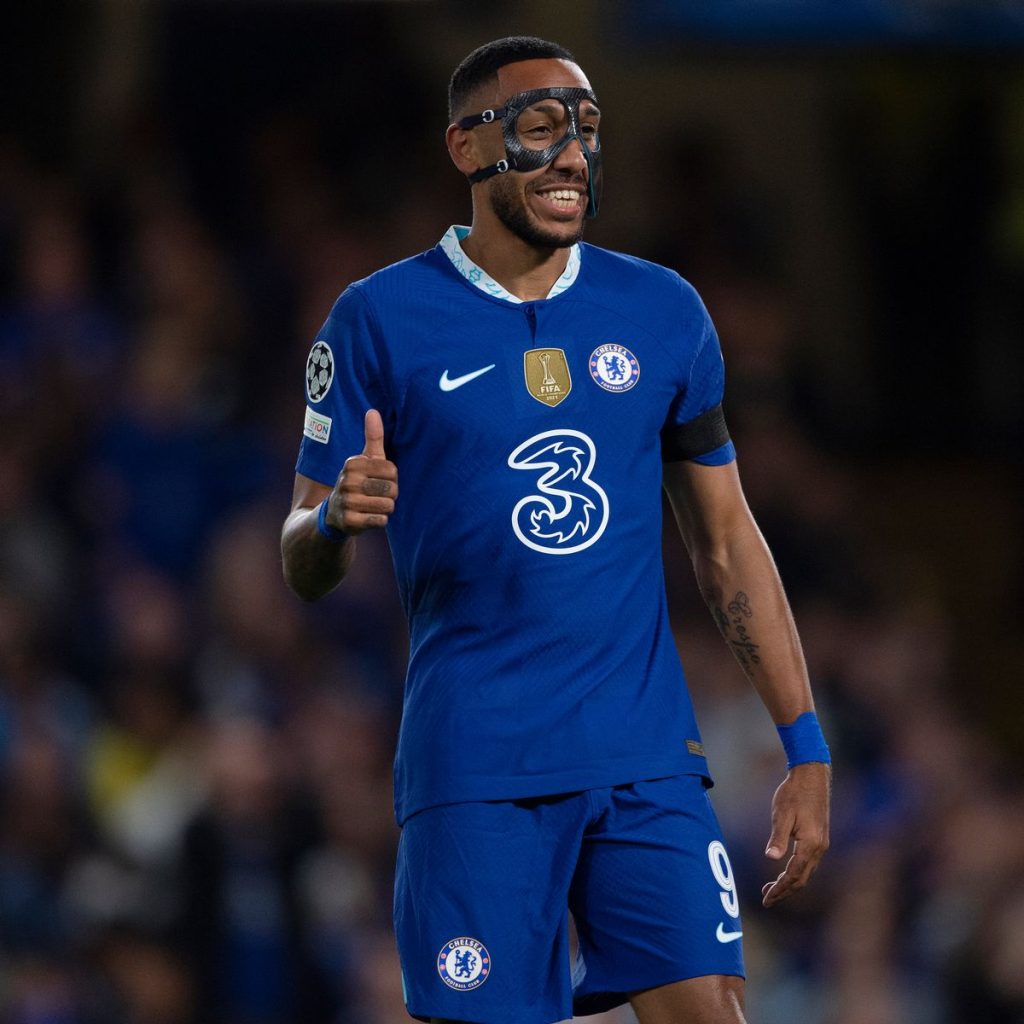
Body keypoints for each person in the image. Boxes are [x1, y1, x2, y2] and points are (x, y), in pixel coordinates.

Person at [280, 35, 831, 1024]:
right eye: (540, 130)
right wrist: (332, 518)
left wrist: (805, 743)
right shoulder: (378, 319)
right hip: (475, 765)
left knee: (710, 1009)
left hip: (644, 753)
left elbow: (725, 541)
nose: (573, 155)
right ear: (464, 147)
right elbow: (300, 558)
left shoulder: (663, 311)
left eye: (586, 132)